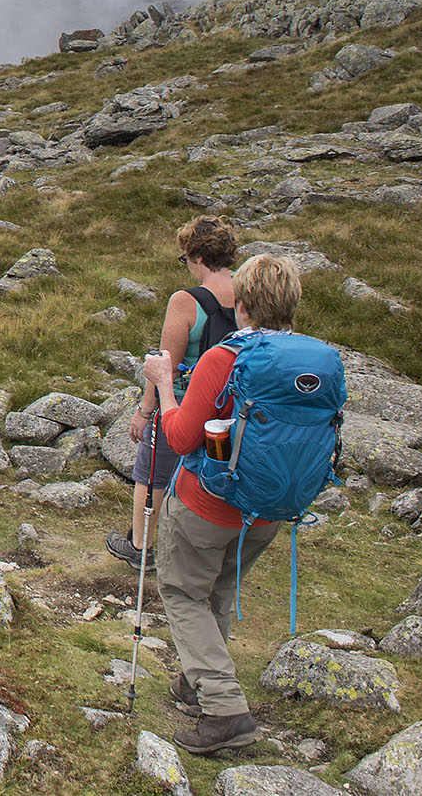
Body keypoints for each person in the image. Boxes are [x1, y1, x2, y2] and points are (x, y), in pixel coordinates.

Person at [142, 253, 307, 755]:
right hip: (271, 508)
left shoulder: (225, 358)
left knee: (181, 593)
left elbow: (182, 433)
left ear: (242, 304)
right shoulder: (312, 360)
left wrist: (165, 384)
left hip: (207, 503)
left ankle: (224, 708)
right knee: (219, 587)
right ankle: (198, 679)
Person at [108, 217, 238, 571]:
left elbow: (167, 363)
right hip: (232, 409)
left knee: (152, 474)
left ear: (197, 256)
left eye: (185, 258)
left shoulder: (186, 301)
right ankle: (209, 546)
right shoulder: (249, 293)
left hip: (182, 403)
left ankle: (141, 547)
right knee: (217, 472)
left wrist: (145, 409)